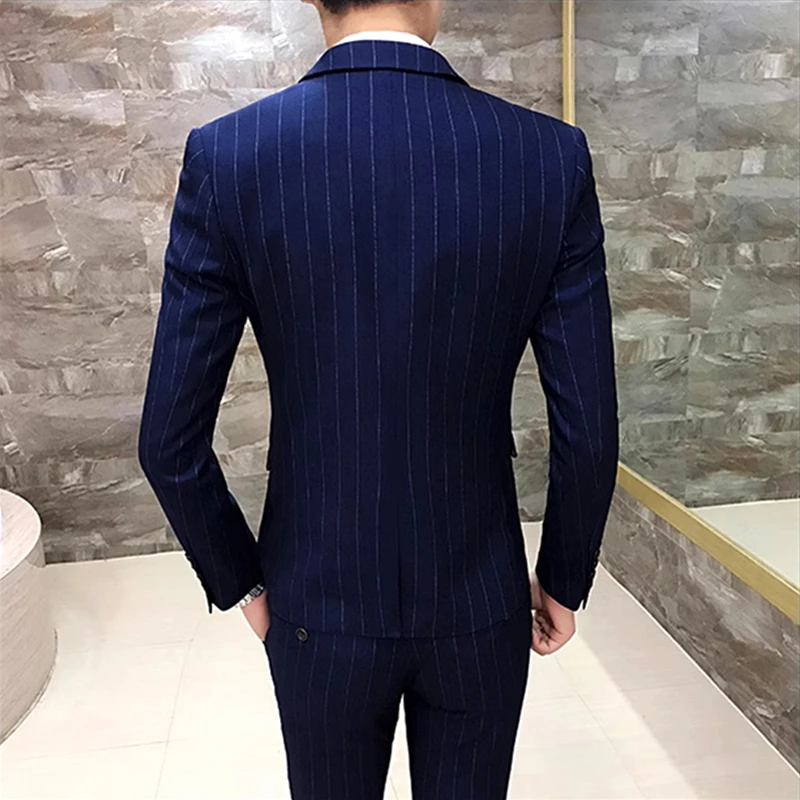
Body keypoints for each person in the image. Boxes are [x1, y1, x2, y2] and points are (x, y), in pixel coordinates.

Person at [138, 1, 619, 797]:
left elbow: (168, 443)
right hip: (479, 596)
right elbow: (590, 432)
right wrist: (563, 579)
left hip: (315, 598)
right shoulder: (545, 157)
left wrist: (243, 583)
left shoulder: (231, 156)